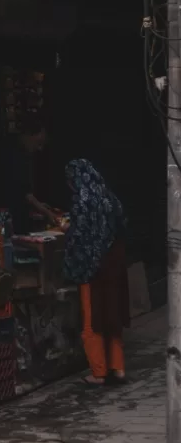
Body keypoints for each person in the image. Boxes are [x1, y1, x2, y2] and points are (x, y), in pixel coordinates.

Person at [63, 158, 128, 386]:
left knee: (92, 319)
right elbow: (123, 222)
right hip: (114, 264)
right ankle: (118, 369)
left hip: (93, 268)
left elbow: (78, 235)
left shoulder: (82, 200)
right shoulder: (109, 196)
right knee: (113, 315)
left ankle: (99, 372)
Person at [0, 121, 58, 234]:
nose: (40, 148)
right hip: (8, 216)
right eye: (39, 143)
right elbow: (23, 191)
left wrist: (38, 205)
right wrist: (44, 211)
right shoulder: (11, 152)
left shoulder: (24, 153)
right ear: (29, 135)